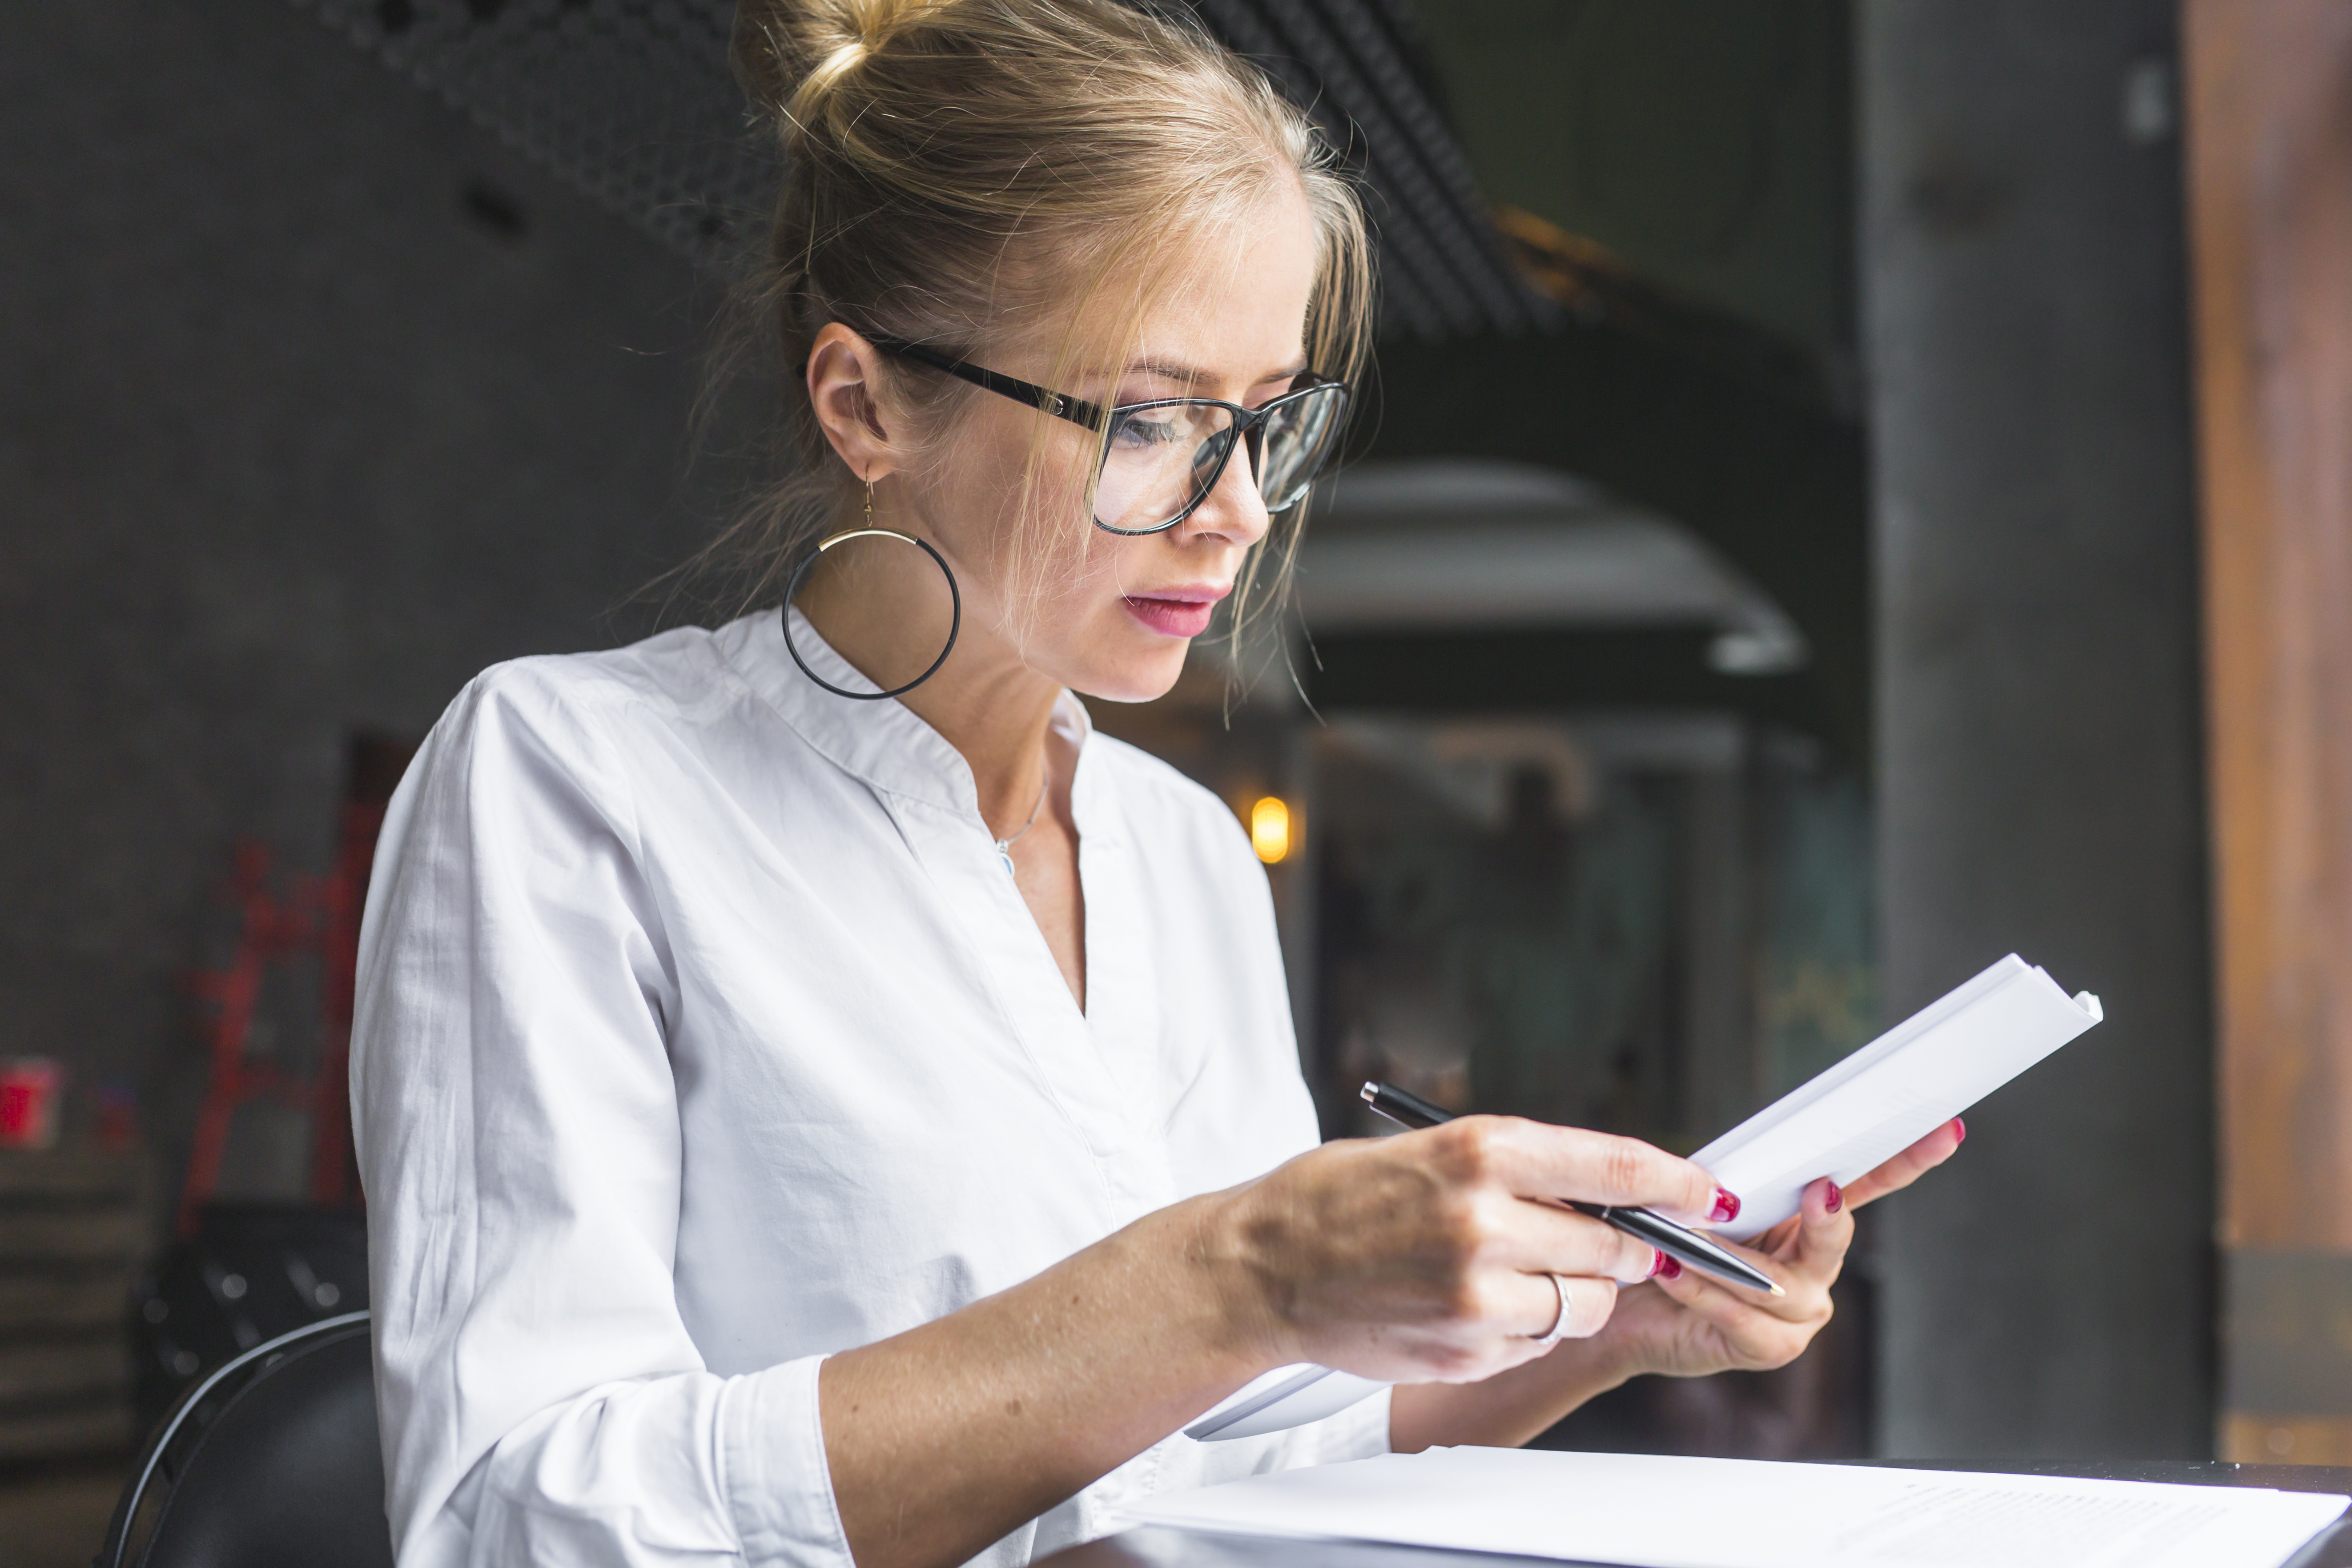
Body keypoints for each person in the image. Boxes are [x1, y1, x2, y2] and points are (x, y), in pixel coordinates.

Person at [349, 0, 1963, 1564]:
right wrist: (1235, 1271)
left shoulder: (1180, 848)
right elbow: (518, 1522)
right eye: (1147, 420)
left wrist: (1610, 1331)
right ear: (862, 405)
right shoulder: (571, 781)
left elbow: (1231, 1456)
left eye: (1268, 423)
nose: (1238, 511)